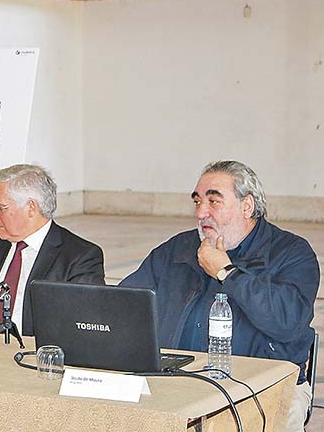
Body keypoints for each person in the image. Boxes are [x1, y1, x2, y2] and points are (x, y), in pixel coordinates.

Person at [121, 160, 318, 432]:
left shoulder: (291, 253)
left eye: (213, 201)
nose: (201, 212)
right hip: (176, 383)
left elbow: (287, 322)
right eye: (197, 201)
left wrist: (227, 272)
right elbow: (124, 305)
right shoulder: (176, 249)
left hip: (265, 387)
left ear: (247, 206)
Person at [0, 164, 105, 336]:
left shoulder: (80, 257)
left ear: (31, 208)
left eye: (0, 208)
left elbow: (80, 326)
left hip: (30, 350)